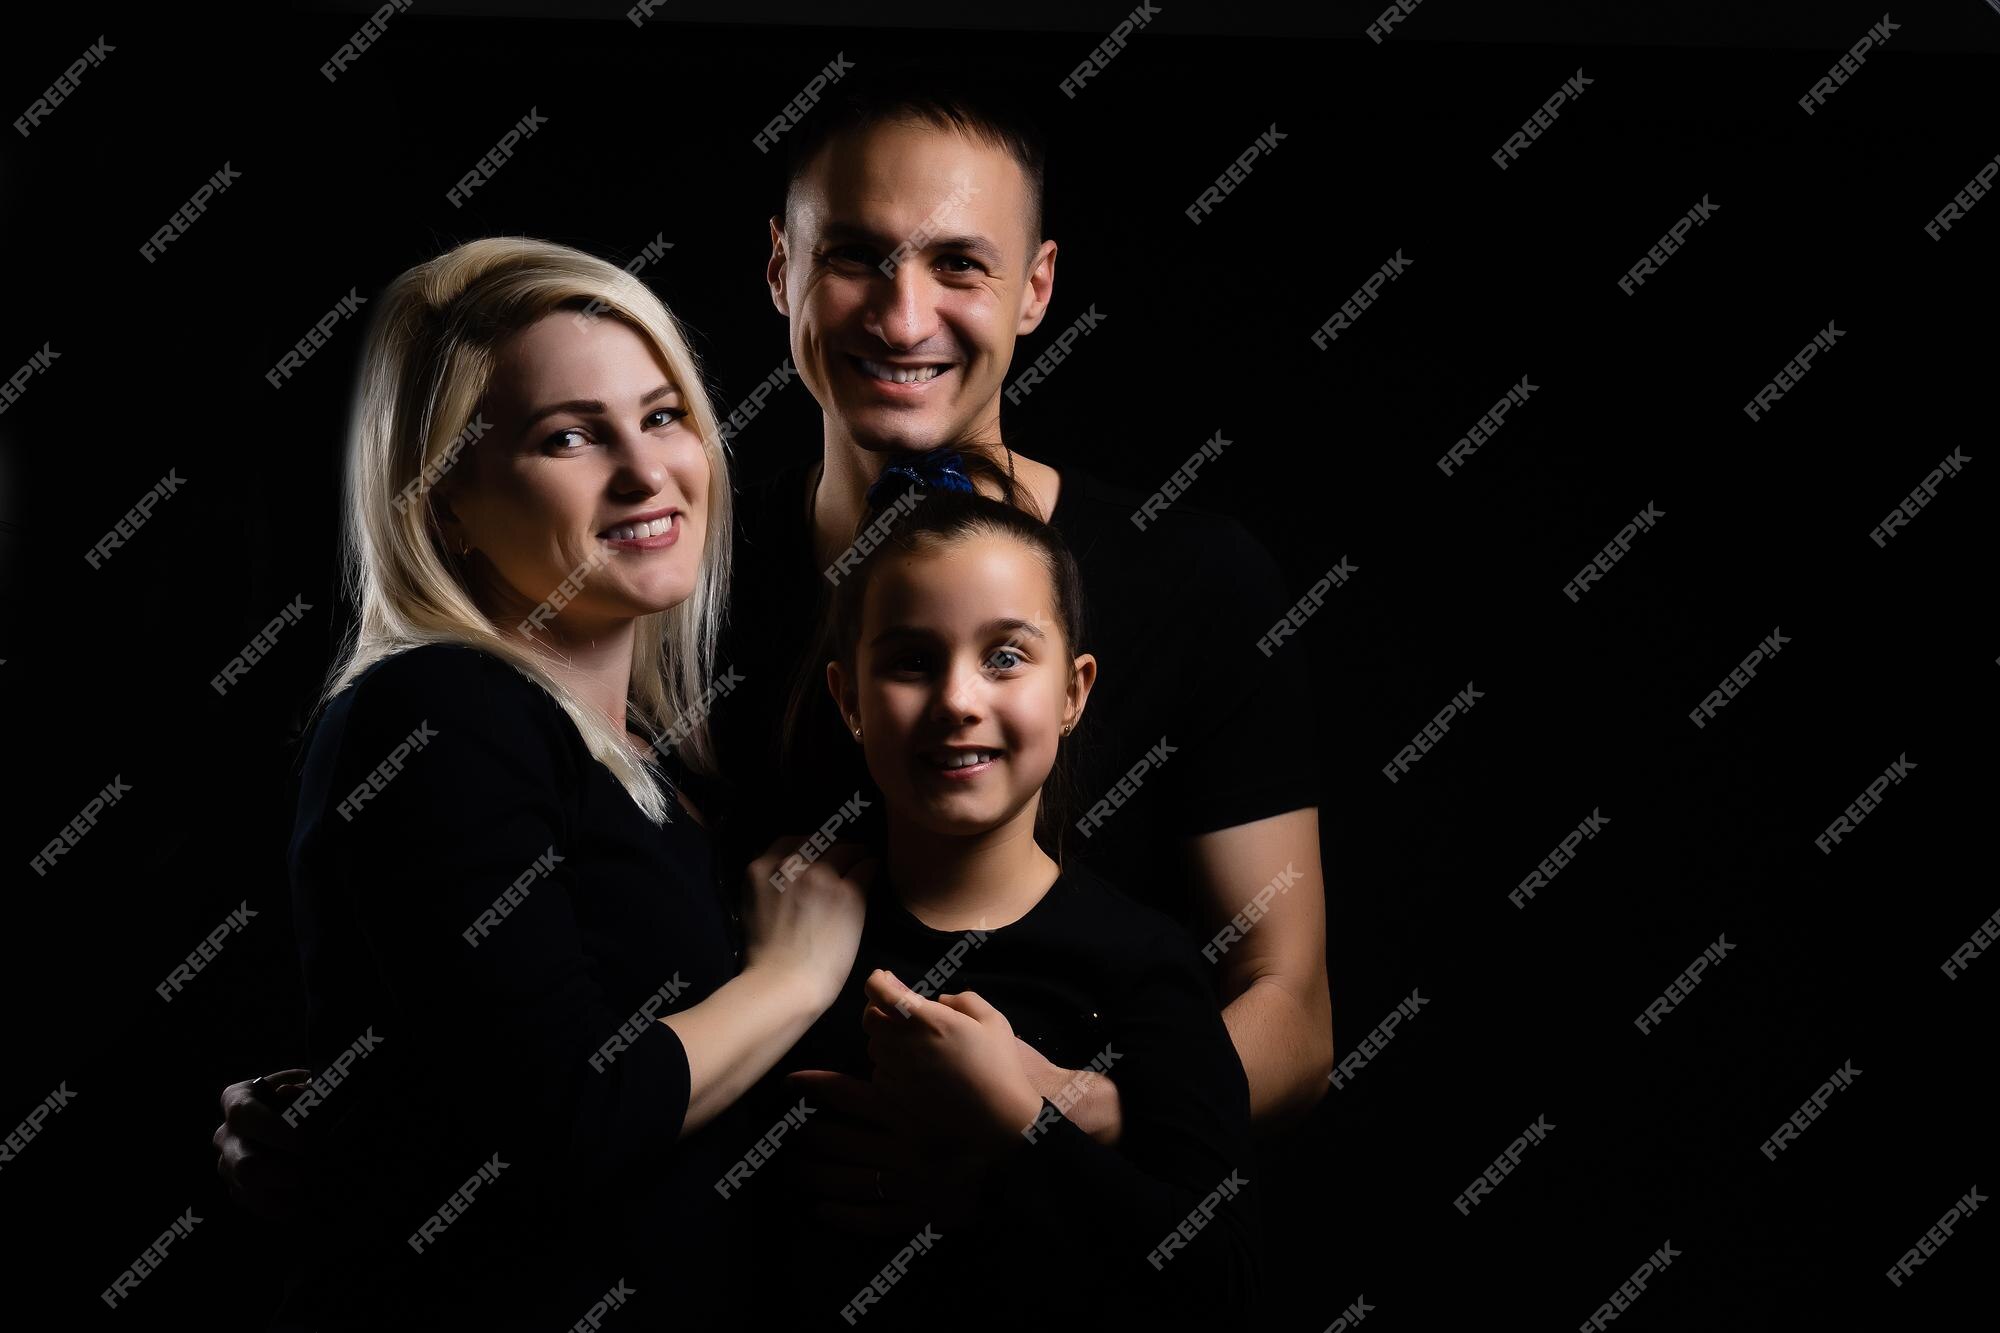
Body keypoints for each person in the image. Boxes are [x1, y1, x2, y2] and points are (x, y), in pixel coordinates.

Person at [269, 236, 874, 1329]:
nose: (647, 473)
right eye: (567, 437)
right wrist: (792, 976)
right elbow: (572, 1113)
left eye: (661, 415)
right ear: (442, 501)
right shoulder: (436, 713)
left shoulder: (648, 745)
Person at [733, 446, 1259, 1328]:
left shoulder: (1145, 965)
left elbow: (1220, 1279)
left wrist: (1017, 1125)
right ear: (849, 696)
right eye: (910, 661)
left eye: (1005, 656)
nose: (957, 700)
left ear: (1073, 691)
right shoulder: (791, 934)